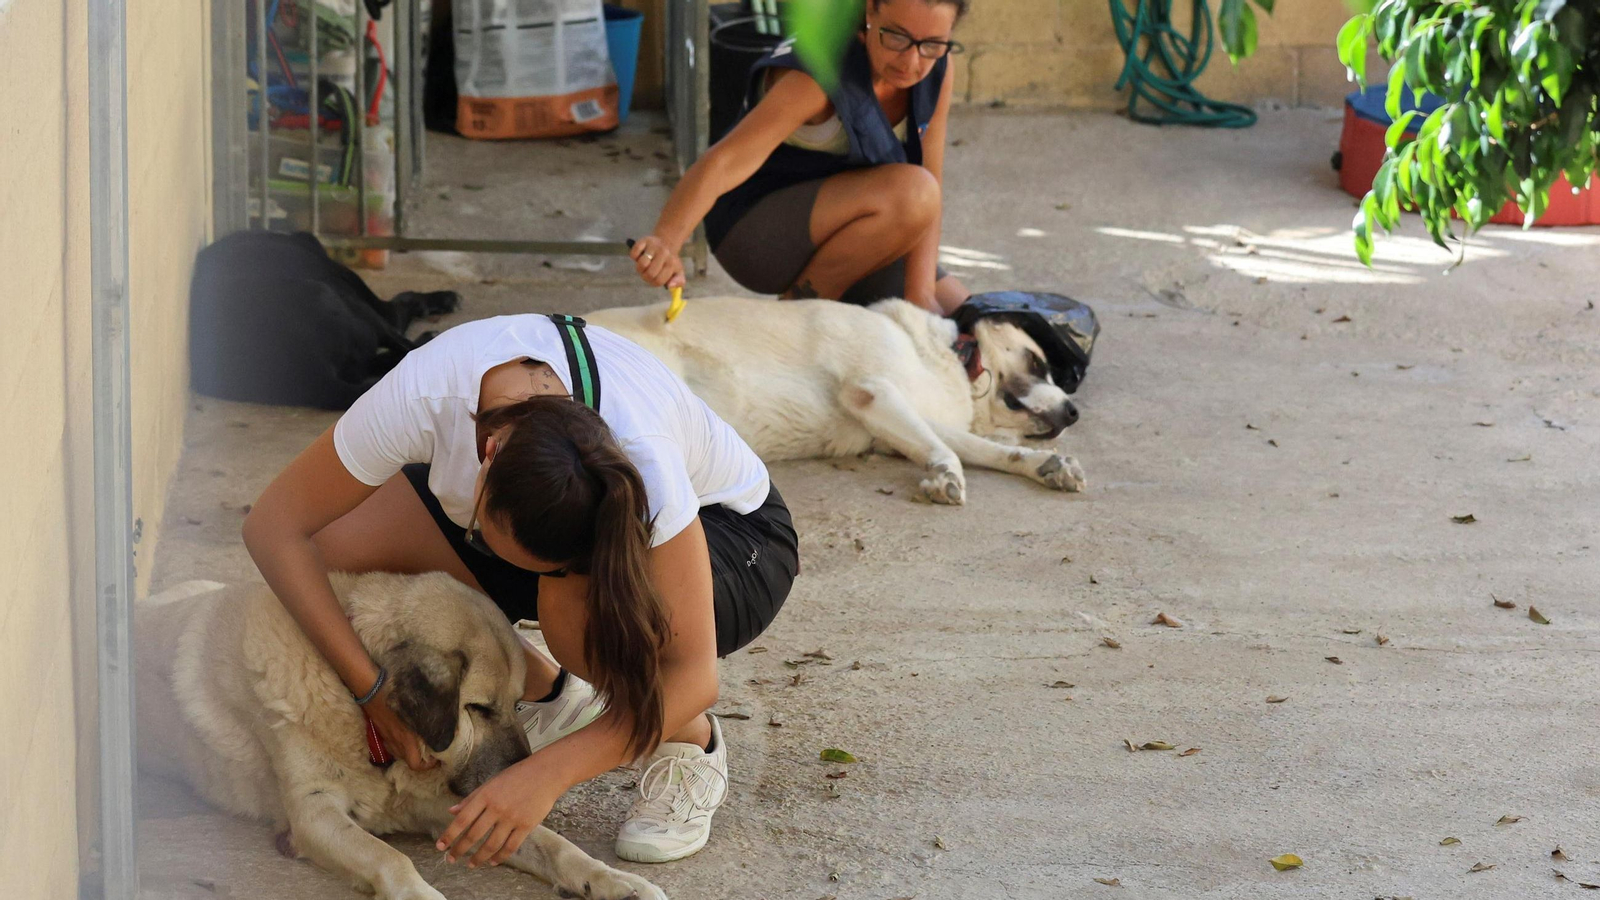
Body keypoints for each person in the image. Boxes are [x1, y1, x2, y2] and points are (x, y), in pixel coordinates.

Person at [242, 312, 799, 867]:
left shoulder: (642, 458)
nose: (498, 562)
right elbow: (274, 527)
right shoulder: (426, 391)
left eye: (551, 567)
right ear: (487, 456)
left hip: (737, 539)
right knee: (335, 544)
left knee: (582, 627)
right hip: (570, 522)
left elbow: (696, 676)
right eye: (487, 535)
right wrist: (373, 691)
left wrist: (544, 776)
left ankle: (689, 746)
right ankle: (554, 696)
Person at [629, 0, 973, 314]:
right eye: (896, 36)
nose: (912, 61)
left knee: (967, 317)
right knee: (915, 193)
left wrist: (920, 296)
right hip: (757, 232)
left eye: (931, 44)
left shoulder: (938, 66)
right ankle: (798, 314)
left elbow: (931, 173)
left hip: (857, 226)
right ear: (870, 10)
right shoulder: (815, 75)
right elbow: (722, 163)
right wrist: (666, 241)